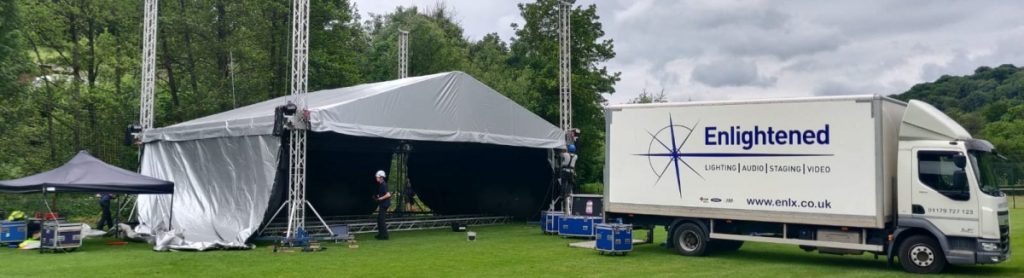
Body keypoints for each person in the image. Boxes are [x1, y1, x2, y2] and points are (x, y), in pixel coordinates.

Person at [373, 170, 392, 240]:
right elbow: (383, 193)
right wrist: (378, 196)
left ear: (381, 177)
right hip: (383, 204)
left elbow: (388, 194)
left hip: (385, 204)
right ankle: (381, 234)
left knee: (381, 220)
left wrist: (380, 198)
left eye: (377, 177)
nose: (376, 178)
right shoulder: (381, 184)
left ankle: (385, 236)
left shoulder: (384, 184)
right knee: (379, 219)